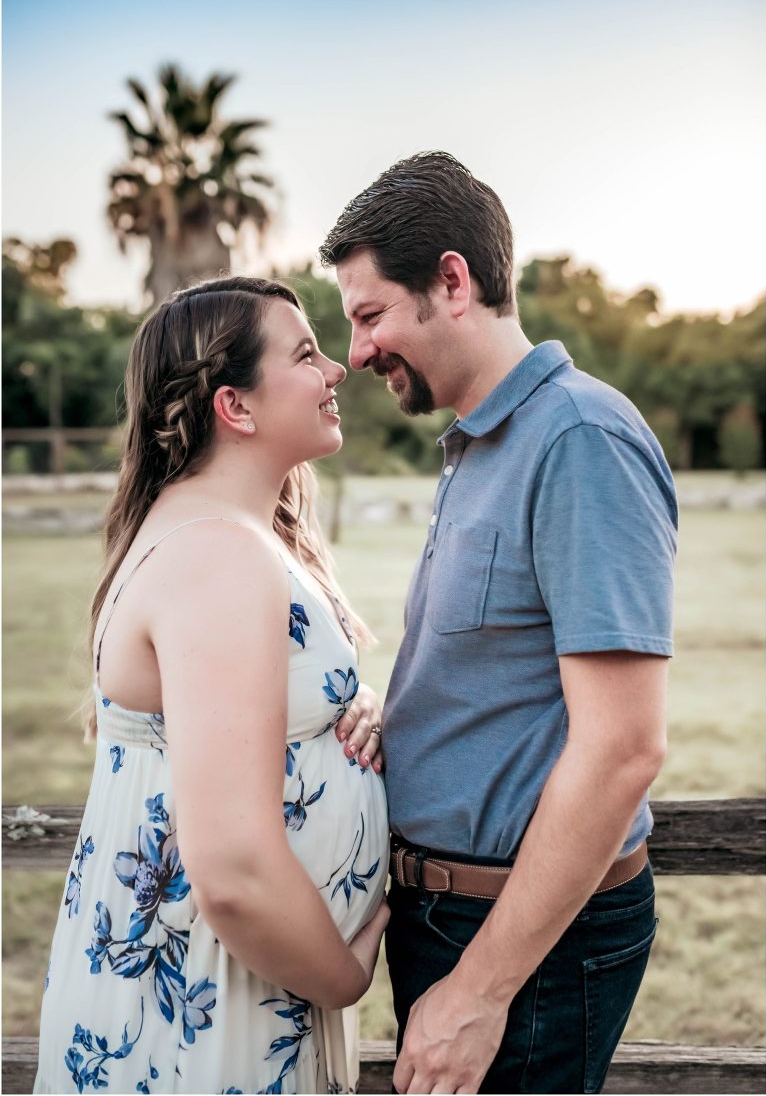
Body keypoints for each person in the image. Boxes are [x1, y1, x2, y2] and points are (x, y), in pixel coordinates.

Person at [320, 152, 677, 1095]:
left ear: (452, 280)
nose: (355, 352)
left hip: (520, 942)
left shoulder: (578, 441)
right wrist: (393, 717)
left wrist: (480, 989)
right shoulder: (479, 445)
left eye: (368, 315)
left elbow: (623, 750)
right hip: (447, 918)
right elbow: (496, 672)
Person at [35, 276, 390, 1095]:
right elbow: (229, 866)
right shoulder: (216, 555)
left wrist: (351, 708)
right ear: (237, 407)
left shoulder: (223, 536)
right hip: (206, 1004)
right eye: (305, 353)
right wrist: (343, 977)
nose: (336, 368)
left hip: (222, 981)